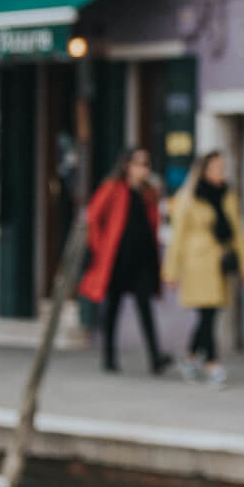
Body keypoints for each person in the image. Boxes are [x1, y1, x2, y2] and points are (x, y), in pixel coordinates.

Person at [162, 150, 244, 388]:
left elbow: (238, 234)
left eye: (223, 168)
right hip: (197, 263)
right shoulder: (189, 197)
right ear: (203, 170)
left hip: (220, 263)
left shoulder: (228, 196)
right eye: (215, 168)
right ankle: (212, 363)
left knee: (211, 313)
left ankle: (190, 356)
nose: (220, 173)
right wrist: (171, 271)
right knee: (207, 313)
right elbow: (178, 237)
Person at [79, 147, 172, 375]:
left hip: (142, 259)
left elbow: (152, 224)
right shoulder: (113, 188)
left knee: (145, 307)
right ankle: (109, 357)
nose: (144, 169)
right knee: (112, 308)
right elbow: (92, 217)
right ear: (127, 166)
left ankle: (155, 357)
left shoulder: (149, 193)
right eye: (139, 164)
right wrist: (100, 248)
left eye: (146, 164)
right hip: (116, 259)